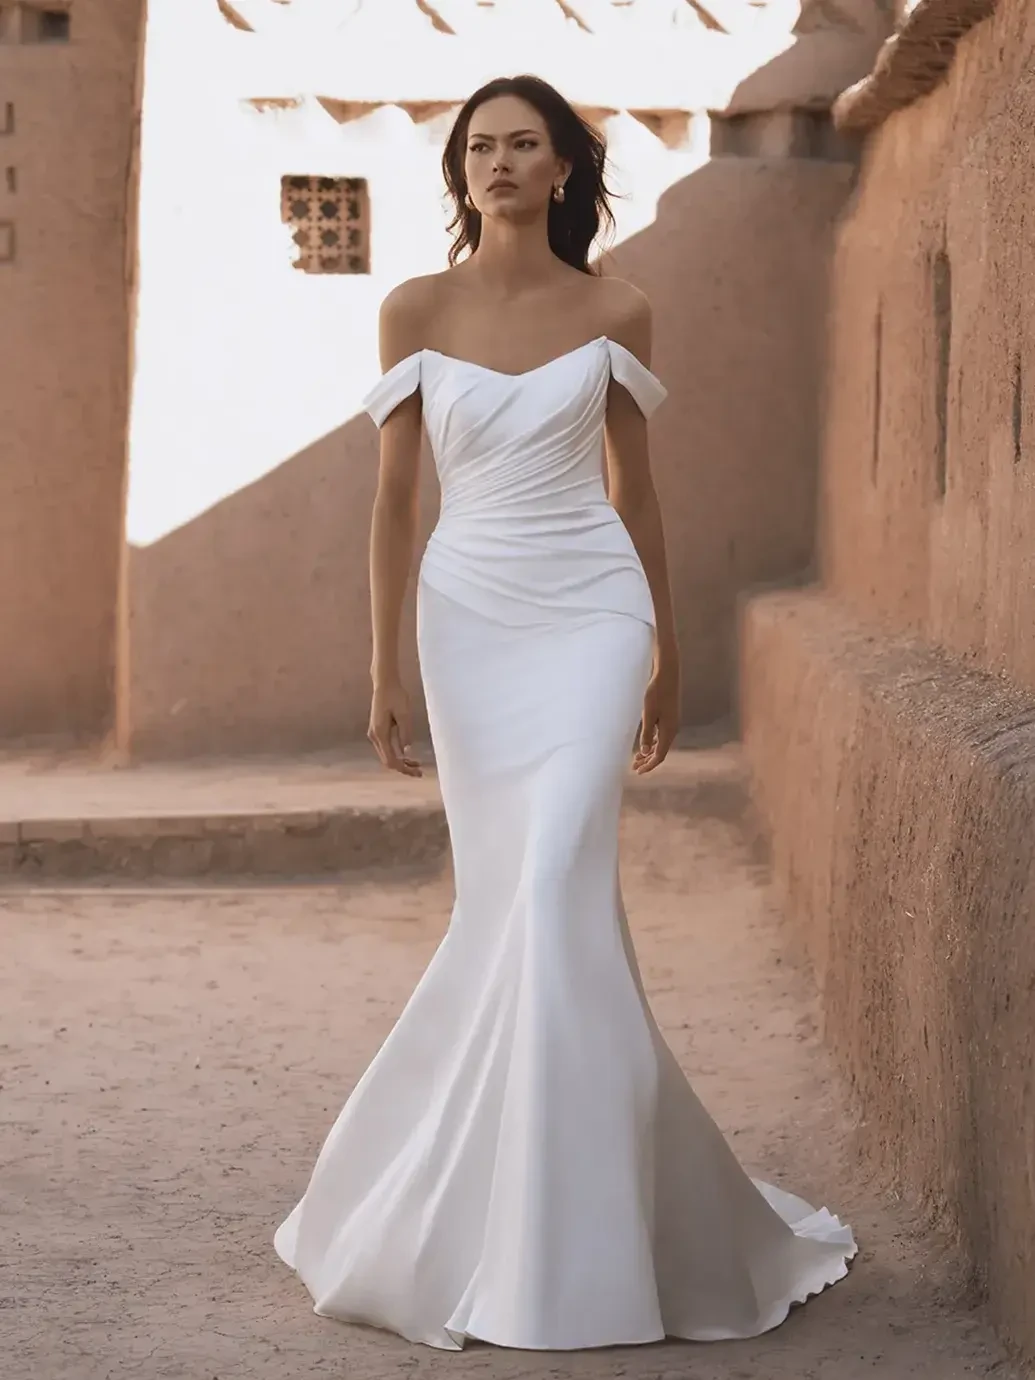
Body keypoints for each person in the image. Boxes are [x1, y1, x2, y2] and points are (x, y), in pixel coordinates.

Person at [273, 73, 856, 1352]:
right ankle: (493, 1208)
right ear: (463, 173)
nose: (497, 163)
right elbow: (391, 502)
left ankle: (571, 1244)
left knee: (555, 885)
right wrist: (383, 667)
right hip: (468, 618)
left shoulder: (619, 307)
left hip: (593, 612)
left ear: (562, 170)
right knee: (513, 906)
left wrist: (668, 647)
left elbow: (635, 493)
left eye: (522, 144)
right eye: (479, 147)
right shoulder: (412, 308)